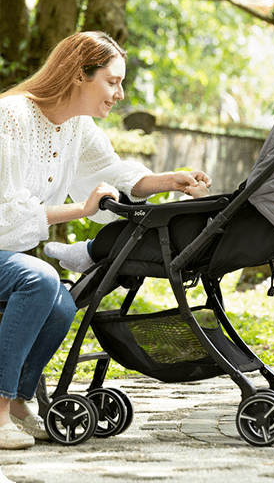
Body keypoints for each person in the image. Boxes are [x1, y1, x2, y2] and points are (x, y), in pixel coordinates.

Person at [0, 30, 211, 449]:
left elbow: (115, 175)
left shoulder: (77, 128)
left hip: (10, 256)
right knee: (40, 279)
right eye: (112, 81)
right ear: (80, 74)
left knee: (62, 300)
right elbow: (5, 214)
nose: (119, 93)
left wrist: (171, 181)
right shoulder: (12, 117)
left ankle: (22, 400)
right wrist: (80, 210)